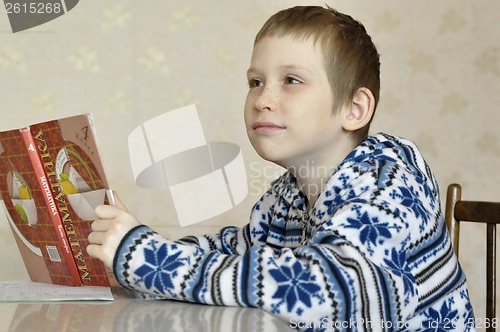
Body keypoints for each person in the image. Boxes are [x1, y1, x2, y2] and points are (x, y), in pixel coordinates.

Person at [87, 5, 475, 331]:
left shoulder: (385, 187)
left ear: (354, 109)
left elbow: (320, 287)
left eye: (291, 80)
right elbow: (236, 252)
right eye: (255, 82)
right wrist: (129, 255)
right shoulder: (288, 193)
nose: (262, 99)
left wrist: (150, 259)